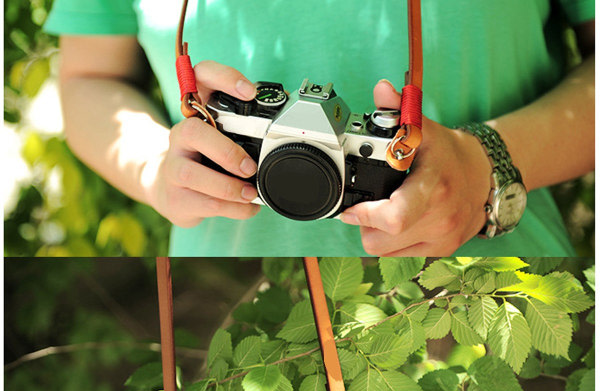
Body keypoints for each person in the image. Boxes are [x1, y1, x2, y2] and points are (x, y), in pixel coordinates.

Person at [44, 1, 594, 257]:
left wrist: (485, 161)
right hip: (245, 333)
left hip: (494, 307)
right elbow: (90, 75)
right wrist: (152, 168)